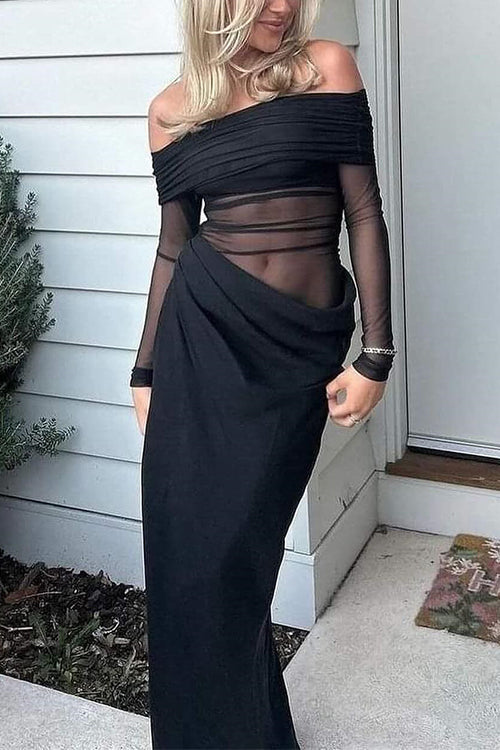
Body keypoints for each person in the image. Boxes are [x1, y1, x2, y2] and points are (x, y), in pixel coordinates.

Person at [130, 0, 397, 747]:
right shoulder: (171, 111)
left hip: (290, 350)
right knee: (187, 565)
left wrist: (376, 352)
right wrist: (145, 371)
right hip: (199, 342)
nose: (282, 4)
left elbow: (363, 211)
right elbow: (173, 247)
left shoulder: (325, 68)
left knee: (237, 564)